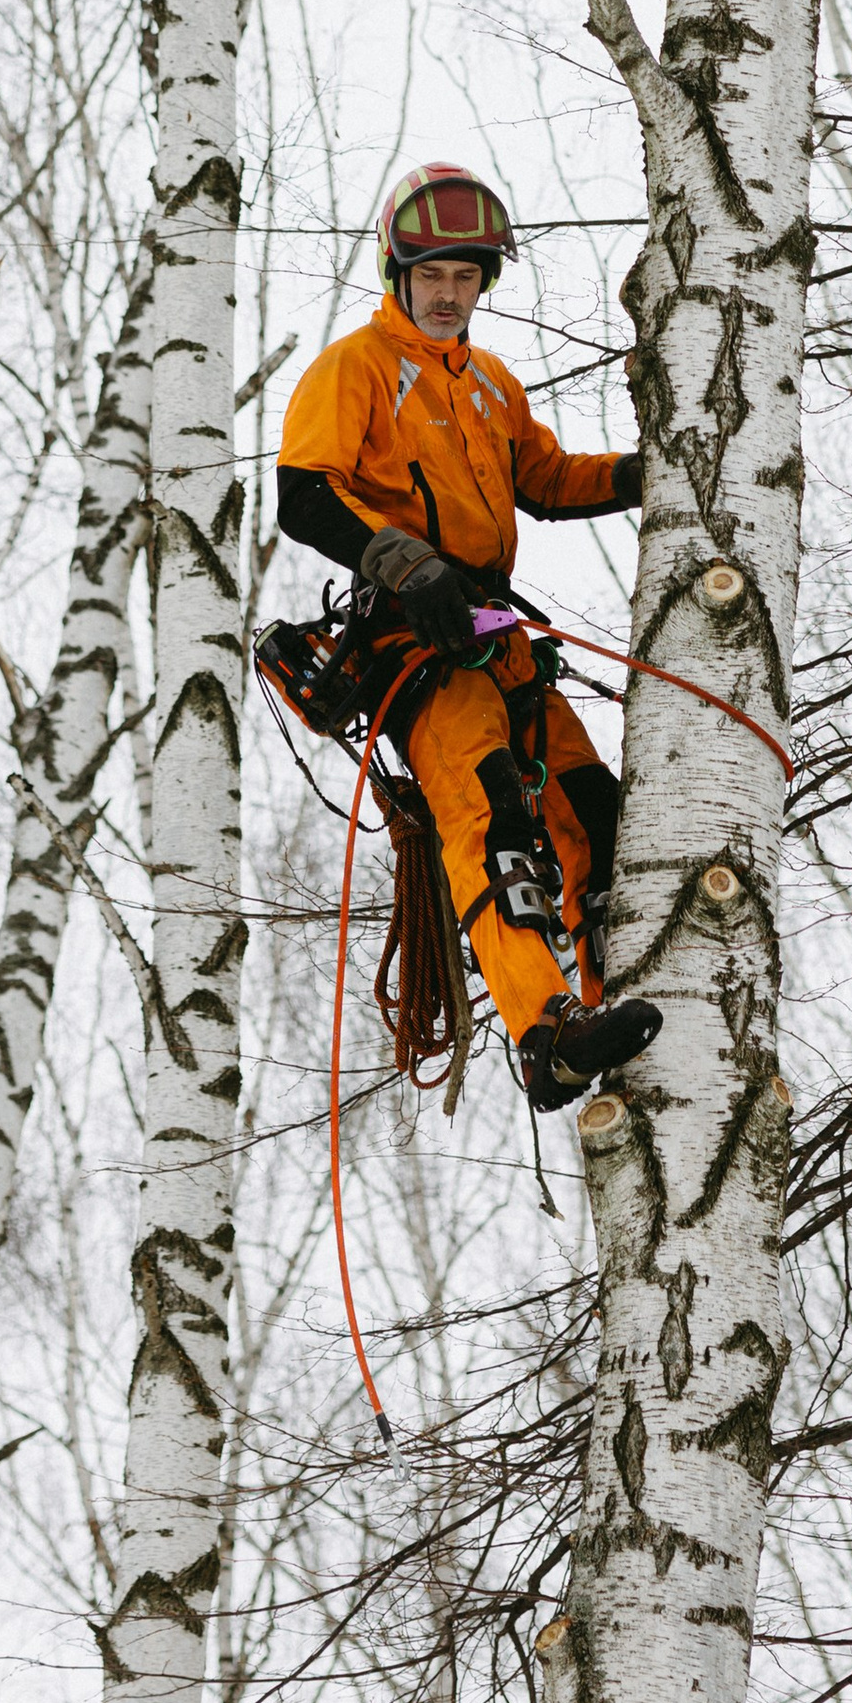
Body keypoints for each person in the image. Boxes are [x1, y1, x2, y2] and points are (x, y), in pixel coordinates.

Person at [266, 161, 663, 1115]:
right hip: (416, 645)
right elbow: (302, 491)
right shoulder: (356, 367)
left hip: (500, 637)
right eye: (434, 275)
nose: (450, 295)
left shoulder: (490, 382)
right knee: (497, 825)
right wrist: (401, 561)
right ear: (399, 274)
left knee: (595, 813)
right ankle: (546, 1033)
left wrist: (660, 471)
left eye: (467, 276)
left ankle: (616, 1009)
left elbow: (551, 479)